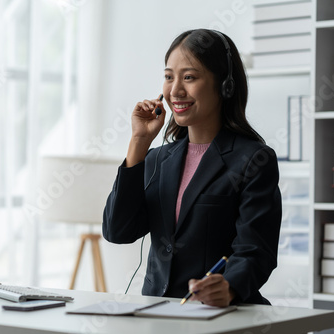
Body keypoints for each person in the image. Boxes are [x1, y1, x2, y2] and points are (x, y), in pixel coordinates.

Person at [102, 29, 282, 307]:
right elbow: (118, 231)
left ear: (225, 86)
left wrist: (230, 286)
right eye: (168, 77)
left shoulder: (253, 160)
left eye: (189, 77)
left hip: (222, 313)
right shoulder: (156, 159)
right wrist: (139, 142)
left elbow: (257, 249)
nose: (175, 91)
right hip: (158, 314)